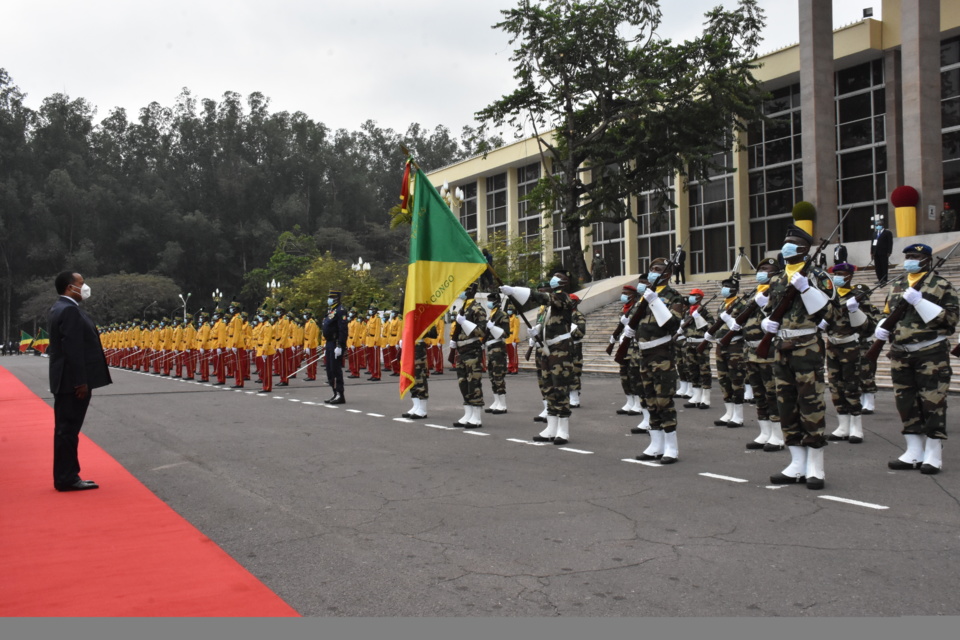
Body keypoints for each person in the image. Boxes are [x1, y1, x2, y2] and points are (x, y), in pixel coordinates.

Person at [760, 225, 832, 490]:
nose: (786, 246)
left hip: (807, 347)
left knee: (810, 404)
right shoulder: (777, 279)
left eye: (791, 242)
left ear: (804, 249)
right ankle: (796, 463)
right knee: (786, 404)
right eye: (785, 241)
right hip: (781, 347)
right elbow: (772, 310)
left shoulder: (817, 276)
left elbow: (829, 315)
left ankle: (815, 466)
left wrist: (806, 289)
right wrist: (767, 323)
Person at [877, 243, 959, 474]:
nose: (910, 260)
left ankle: (933, 453)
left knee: (932, 402)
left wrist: (920, 302)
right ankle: (913, 451)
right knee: (906, 402)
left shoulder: (942, 286)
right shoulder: (898, 285)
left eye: (915, 256)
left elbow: (951, 320)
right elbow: (887, 314)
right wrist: (882, 328)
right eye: (908, 256)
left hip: (930, 352)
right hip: (901, 353)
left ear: (927, 260)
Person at [48, 271, 112, 491]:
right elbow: (73, 350)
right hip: (71, 383)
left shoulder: (61, 308)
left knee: (66, 430)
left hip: (65, 380)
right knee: (68, 430)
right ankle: (67, 478)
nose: (85, 287)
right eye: (81, 283)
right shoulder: (68, 310)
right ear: (69, 287)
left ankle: (67, 475)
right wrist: (81, 382)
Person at [501, 271, 577, 445]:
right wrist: (537, 332)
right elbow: (545, 317)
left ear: (565, 283)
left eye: (559, 277)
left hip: (560, 350)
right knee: (548, 387)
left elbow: (542, 297)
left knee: (560, 388)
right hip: (546, 348)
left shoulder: (563, 298)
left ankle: (563, 431)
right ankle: (551, 428)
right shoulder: (548, 307)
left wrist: (514, 291)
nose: (554, 279)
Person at [626, 258, 684, 463]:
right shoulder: (643, 297)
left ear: (667, 274)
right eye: (651, 269)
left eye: (657, 269)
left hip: (662, 354)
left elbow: (673, 324)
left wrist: (655, 301)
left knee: (663, 400)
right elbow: (634, 320)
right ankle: (655, 444)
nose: (652, 272)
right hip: (644, 354)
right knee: (649, 399)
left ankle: (671, 447)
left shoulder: (674, 296)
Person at [824, 263, 870, 444]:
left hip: (850, 346)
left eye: (841, 274)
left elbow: (868, 326)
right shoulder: (830, 297)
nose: (837, 277)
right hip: (832, 346)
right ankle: (843, 425)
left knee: (851, 386)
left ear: (850, 276)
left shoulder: (858, 297)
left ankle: (856, 427)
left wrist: (854, 310)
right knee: (835, 386)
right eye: (836, 274)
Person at [451, 282, 488, 428]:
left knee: (474, 382)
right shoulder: (463, 308)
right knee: (463, 382)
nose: (460, 293)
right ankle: (468, 413)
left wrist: (464, 322)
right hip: (461, 351)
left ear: (470, 291)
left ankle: (477, 416)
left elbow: (482, 331)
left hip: (472, 350)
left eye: (462, 290)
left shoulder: (477, 308)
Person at [680, 288, 714, 411]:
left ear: (699, 297)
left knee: (704, 370)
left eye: (693, 295)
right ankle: (696, 396)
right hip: (689, 344)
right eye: (690, 295)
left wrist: (699, 318)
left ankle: (706, 398)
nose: (691, 297)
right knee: (692, 370)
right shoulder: (687, 311)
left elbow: (711, 327)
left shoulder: (704, 311)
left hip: (701, 344)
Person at [483, 292, 512, 415]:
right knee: (492, 376)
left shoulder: (502, 315)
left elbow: (506, 333)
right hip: (490, 348)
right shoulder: (492, 315)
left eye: (491, 300)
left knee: (498, 375)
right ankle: (496, 401)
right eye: (488, 299)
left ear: (497, 302)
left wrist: (493, 328)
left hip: (498, 348)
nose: (489, 302)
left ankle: (503, 404)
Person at [322, 289, 350, 404]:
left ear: (336, 298)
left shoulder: (341, 311)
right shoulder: (332, 311)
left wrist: (340, 345)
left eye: (330, 297)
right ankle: (334, 393)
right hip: (329, 343)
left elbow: (342, 330)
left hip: (335, 343)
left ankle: (340, 394)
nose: (328, 299)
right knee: (330, 370)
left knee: (335, 369)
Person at [569, 294, 587, 408]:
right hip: (564, 346)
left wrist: (569, 329)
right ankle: (569, 396)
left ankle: (575, 398)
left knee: (574, 371)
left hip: (574, 347)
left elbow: (580, 333)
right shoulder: (565, 314)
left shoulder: (578, 316)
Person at [871, 218, 893, 284]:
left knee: (884, 266)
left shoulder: (887, 233)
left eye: (879, 224)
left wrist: (889, 251)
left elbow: (890, 243)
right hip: (876, 252)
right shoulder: (874, 233)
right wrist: (872, 252)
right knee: (877, 267)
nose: (878, 226)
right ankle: (879, 279)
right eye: (877, 225)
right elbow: (872, 243)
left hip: (884, 252)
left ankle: (884, 279)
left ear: (882, 225)